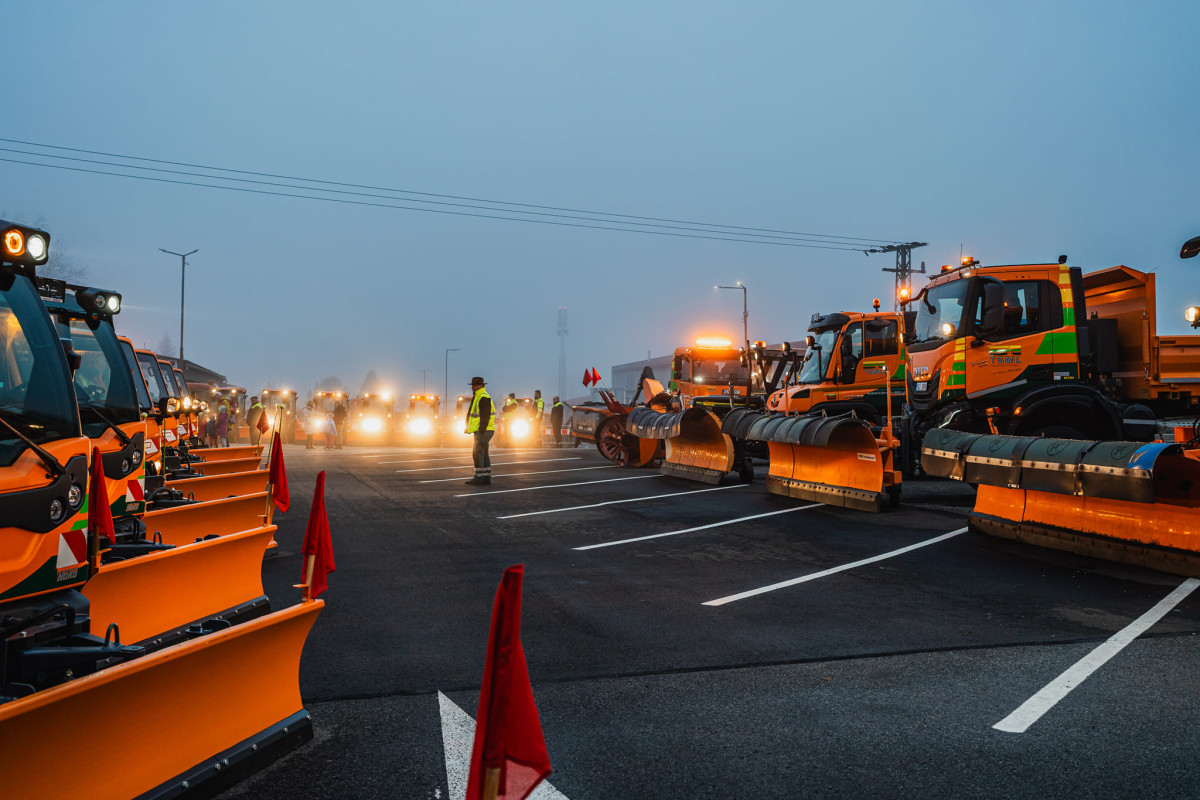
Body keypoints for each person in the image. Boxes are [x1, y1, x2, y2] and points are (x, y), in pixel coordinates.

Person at [464, 376, 494, 485]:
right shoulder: (478, 396)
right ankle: (486, 477)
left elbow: (485, 416)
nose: (472, 387)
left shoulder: (483, 397)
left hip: (483, 431)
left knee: (477, 453)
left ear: (480, 386)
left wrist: (481, 430)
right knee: (483, 453)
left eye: (474, 385)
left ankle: (479, 477)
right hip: (484, 430)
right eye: (472, 385)